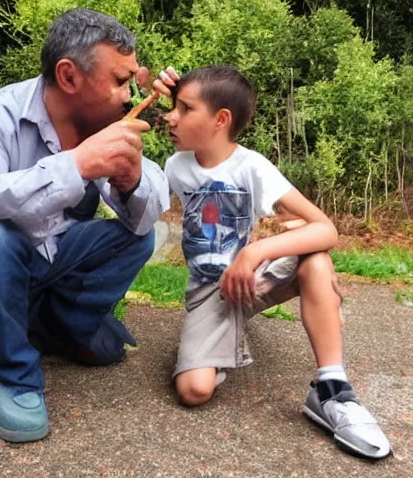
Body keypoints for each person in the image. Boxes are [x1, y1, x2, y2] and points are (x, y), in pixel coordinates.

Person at [0, 8, 169, 443]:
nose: (129, 96)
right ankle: (15, 375)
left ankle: (34, 322)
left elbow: (149, 214)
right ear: (69, 76)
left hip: (58, 259)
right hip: (5, 260)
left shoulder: (106, 120)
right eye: (119, 81)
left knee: (142, 236)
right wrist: (76, 164)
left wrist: (131, 181)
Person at [154, 64, 390, 459]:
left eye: (184, 108)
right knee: (194, 391)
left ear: (221, 120)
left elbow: (325, 229)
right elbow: (142, 211)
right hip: (211, 291)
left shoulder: (252, 166)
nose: (170, 117)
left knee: (315, 257)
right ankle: (227, 338)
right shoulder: (176, 167)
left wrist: (254, 251)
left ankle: (332, 389)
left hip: (254, 274)